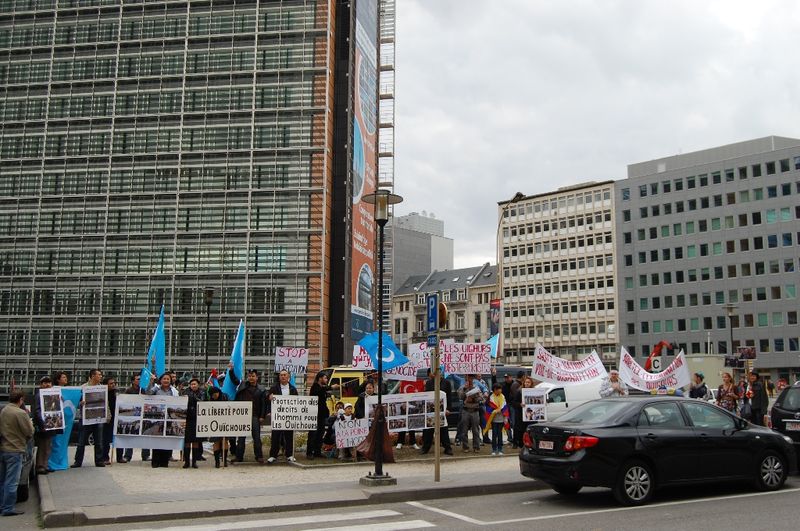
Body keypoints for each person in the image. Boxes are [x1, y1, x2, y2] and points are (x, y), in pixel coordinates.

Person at [0, 390, 34, 517]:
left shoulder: (4, 410)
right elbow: (29, 431)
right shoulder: (20, 413)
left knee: (2, 480)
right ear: (21, 400)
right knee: (12, 481)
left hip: (3, 448)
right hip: (15, 450)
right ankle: (8, 508)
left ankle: (2, 505)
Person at [229, 369, 267, 464]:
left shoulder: (262, 389)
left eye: (253, 376)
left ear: (257, 377)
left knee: (256, 437)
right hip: (243, 415)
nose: (251, 378)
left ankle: (259, 456)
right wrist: (231, 371)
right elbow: (234, 380)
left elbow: (264, 404)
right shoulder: (242, 385)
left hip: (255, 416)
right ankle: (239, 457)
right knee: (241, 438)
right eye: (249, 376)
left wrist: (262, 416)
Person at [71, 369, 107, 468]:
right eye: (99, 375)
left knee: (99, 441)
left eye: (101, 375)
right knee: (81, 441)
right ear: (93, 376)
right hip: (85, 418)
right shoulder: (83, 388)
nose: (101, 376)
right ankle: (78, 461)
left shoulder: (102, 388)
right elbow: (76, 403)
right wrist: (80, 403)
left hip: (98, 417)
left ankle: (99, 460)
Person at [419, 369, 453, 455]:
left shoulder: (446, 383)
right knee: (428, 430)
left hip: (442, 410)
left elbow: (449, 397)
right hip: (431, 411)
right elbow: (427, 396)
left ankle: (447, 448)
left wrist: (448, 409)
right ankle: (425, 448)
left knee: (443, 430)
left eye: (439, 372)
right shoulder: (429, 383)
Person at [147, 373, 178, 468]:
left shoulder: (173, 391)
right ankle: (155, 461)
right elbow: (148, 393)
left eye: (168, 379)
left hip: (168, 418)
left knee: (166, 439)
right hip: (158, 418)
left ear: (170, 380)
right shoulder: (156, 389)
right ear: (160, 380)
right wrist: (151, 382)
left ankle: (164, 462)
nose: (166, 380)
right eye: (164, 379)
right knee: (157, 439)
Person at [267, 370, 298, 464]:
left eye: (284, 375)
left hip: (289, 416)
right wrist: (269, 398)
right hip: (277, 416)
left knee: (289, 436)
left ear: (288, 377)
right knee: (275, 436)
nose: (283, 377)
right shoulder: (274, 388)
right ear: (279, 377)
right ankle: (273, 455)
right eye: (281, 375)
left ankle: (289, 455)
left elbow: (297, 401)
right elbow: (267, 399)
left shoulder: (293, 389)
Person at [307, 371, 338, 459]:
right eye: (325, 378)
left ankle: (317, 451)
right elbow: (320, 391)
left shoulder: (322, 388)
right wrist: (331, 387)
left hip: (322, 414)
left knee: (320, 433)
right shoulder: (315, 387)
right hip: (315, 414)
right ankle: (309, 452)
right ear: (320, 378)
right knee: (313, 433)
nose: (326, 380)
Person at [32, 376, 60, 475]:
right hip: (43, 425)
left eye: (49, 382)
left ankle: (45, 465)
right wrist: (43, 423)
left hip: (50, 425)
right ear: (41, 384)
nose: (47, 384)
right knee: (43, 446)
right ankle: (40, 466)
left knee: (48, 446)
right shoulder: (38, 395)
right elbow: (37, 411)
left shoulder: (53, 394)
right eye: (45, 383)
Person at [116, 374, 140, 463]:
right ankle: (127, 455)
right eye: (137, 379)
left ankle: (145, 455)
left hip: (141, 414)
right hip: (132, 415)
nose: (139, 381)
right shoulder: (129, 390)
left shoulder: (143, 390)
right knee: (130, 435)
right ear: (133, 381)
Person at [457, 375, 483, 453]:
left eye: (471, 378)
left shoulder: (477, 388)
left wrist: (473, 399)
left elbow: (481, 398)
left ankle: (476, 447)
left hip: (475, 410)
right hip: (466, 410)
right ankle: (465, 447)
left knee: (476, 430)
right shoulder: (462, 387)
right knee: (464, 430)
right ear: (466, 378)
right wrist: (465, 389)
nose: (469, 379)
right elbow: (460, 396)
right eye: (468, 378)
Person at [205, 386, 229, 468]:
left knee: (225, 441)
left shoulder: (225, 397)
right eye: (212, 395)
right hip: (214, 423)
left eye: (215, 394)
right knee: (216, 442)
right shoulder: (210, 400)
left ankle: (224, 460)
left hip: (225, 422)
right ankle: (217, 461)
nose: (214, 396)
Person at [182, 378, 204, 468]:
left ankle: (194, 462)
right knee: (187, 441)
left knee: (195, 441)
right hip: (187, 419)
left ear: (198, 385)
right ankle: (187, 461)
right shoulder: (185, 392)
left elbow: (202, 402)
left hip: (197, 419)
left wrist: (193, 397)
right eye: (191, 384)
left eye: (195, 384)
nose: (193, 386)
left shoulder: (202, 392)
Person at [485, 383, 509, 456]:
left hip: (501, 418)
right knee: (494, 434)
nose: (500, 390)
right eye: (499, 389)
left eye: (500, 389)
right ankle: (494, 449)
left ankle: (500, 449)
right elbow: (488, 408)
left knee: (500, 434)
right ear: (495, 390)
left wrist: (503, 413)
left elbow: (505, 407)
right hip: (494, 419)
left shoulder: (503, 397)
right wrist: (494, 411)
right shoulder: (491, 398)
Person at [101, 376, 118, 465]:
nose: (113, 385)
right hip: (107, 419)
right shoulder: (103, 394)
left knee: (118, 437)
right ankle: (105, 457)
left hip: (116, 418)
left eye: (114, 383)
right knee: (106, 440)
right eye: (111, 383)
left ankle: (120, 457)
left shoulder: (116, 393)